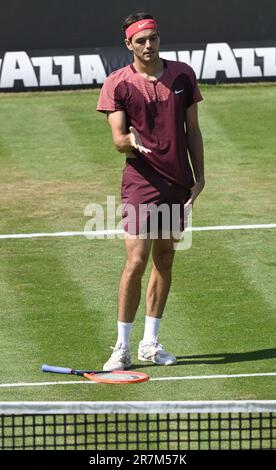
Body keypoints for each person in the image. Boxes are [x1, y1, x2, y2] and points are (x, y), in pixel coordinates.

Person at [97, 12, 205, 370]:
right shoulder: (118, 83)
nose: (149, 45)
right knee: (136, 261)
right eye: (141, 40)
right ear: (128, 44)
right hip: (141, 183)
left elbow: (192, 130)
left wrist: (199, 175)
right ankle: (122, 347)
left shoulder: (183, 76)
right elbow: (116, 139)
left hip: (177, 182)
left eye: (153, 38)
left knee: (165, 258)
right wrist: (129, 139)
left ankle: (150, 343)